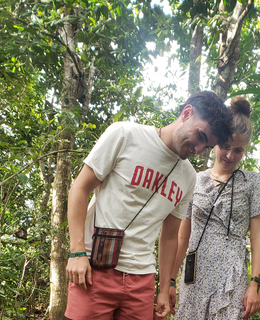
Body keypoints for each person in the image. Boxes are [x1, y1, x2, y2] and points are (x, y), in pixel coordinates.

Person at [64, 91, 233, 320]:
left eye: (207, 146)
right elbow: (80, 189)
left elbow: (170, 236)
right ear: (186, 113)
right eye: (200, 136)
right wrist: (76, 252)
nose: (198, 149)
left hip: (141, 279)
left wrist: (165, 289)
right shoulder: (124, 135)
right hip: (96, 268)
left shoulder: (188, 176)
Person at [170, 96, 260, 320]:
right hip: (194, 276)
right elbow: (183, 236)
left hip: (231, 278)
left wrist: (255, 284)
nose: (230, 155)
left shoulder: (253, 183)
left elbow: (258, 238)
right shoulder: (194, 180)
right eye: (226, 147)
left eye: (238, 150)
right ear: (216, 142)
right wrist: (169, 281)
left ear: (245, 150)